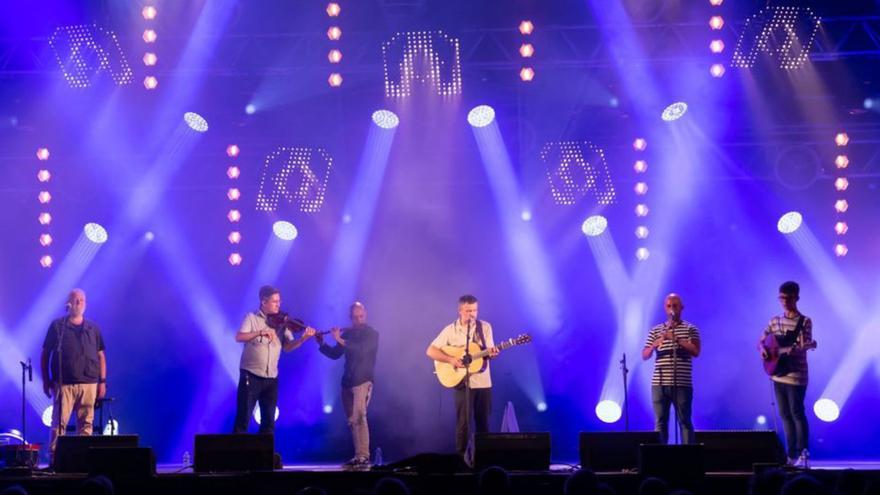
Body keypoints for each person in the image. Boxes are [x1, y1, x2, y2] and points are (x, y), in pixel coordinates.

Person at [233, 285, 315, 434]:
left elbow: (288, 347)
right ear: (264, 302)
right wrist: (259, 332)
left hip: (271, 378)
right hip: (250, 375)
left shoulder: (282, 324)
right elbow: (239, 337)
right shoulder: (251, 318)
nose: (278, 304)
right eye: (274, 301)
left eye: (279, 301)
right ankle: (239, 455)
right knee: (243, 418)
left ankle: (264, 455)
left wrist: (303, 339)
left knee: (269, 421)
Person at [426, 294, 499, 458]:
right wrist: (451, 359)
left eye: (475, 310)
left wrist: (493, 353)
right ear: (460, 311)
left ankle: (484, 459)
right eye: (468, 311)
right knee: (463, 424)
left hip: (483, 382)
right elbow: (430, 350)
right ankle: (462, 459)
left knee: (483, 423)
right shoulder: (450, 330)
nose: (472, 314)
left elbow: (490, 351)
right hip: (461, 383)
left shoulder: (485, 327)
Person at [40, 289, 107, 465]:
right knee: (59, 424)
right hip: (64, 384)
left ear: (86, 304)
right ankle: (56, 460)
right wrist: (46, 379)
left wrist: (102, 382)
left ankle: (82, 459)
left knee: (86, 425)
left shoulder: (93, 328)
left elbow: (101, 356)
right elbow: (45, 353)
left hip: (89, 383)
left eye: (82, 300)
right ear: (68, 303)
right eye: (75, 300)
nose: (78, 303)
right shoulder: (57, 326)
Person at [315, 301, 379, 467]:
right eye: (355, 317)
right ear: (350, 318)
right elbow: (336, 354)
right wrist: (322, 343)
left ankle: (364, 456)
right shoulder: (348, 334)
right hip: (348, 381)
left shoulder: (372, 334)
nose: (359, 320)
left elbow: (361, 350)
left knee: (359, 418)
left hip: (363, 380)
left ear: (365, 314)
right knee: (351, 420)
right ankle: (358, 456)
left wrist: (340, 340)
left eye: (361, 316)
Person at [759, 281, 816, 467]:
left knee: (796, 412)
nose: (784, 302)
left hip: (796, 375)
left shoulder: (804, 321)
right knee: (784, 414)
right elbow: (761, 340)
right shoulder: (774, 320)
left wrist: (797, 349)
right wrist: (763, 350)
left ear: (796, 298)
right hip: (777, 374)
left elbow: (804, 345)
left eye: (788, 298)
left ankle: (803, 453)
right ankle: (791, 455)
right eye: (781, 298)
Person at [642, 293, 701, 444]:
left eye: (675, 305)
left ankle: (689, 461)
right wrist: (655, 344)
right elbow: (645, 355)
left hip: (682, 383)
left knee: (684, 421)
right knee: (660, 422)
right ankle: (662, 461)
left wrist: (675, 338)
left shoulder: (690, 329)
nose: (672, 309)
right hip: (659, 384)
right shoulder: (656, 330)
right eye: (669, 306)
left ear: (681, 308)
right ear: (665, 308)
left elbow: (695, 351)